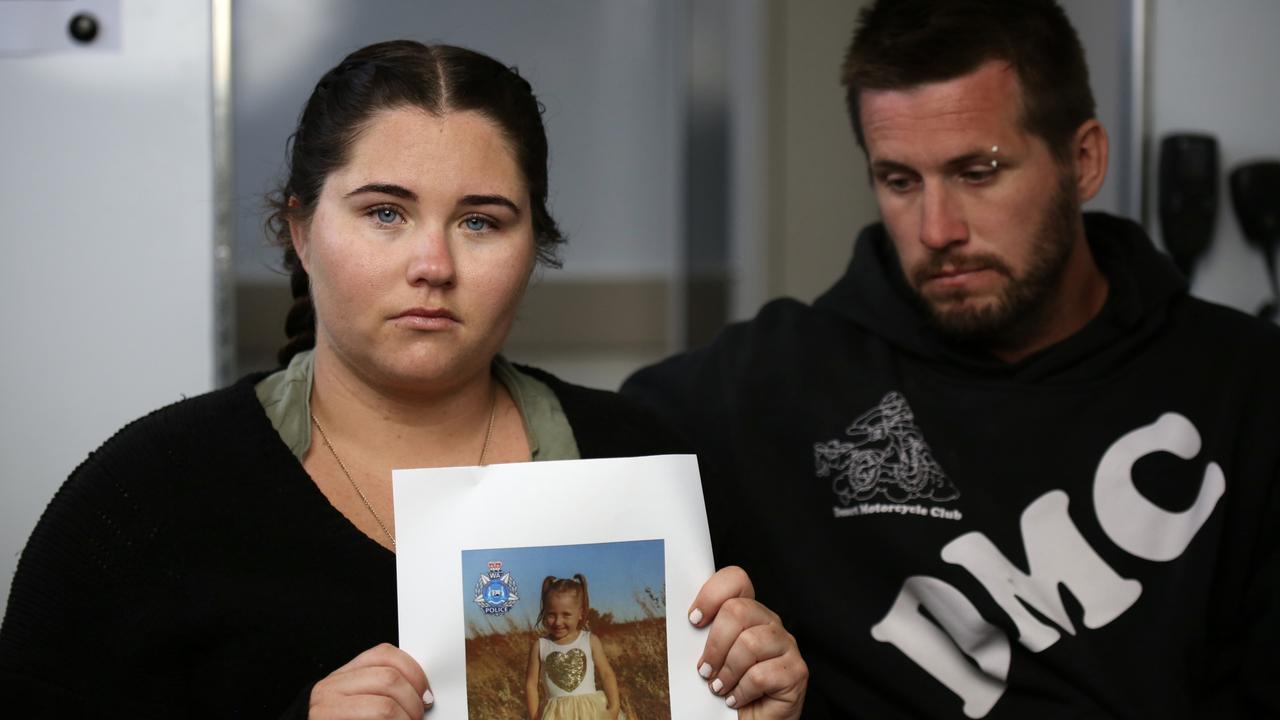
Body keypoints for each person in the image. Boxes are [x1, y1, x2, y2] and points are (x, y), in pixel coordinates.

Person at [0, 41, 807, 719]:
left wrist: (765, 704)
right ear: (300, 230)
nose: (433, 266)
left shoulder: (638, 470)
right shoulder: (144, 500)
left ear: (536, 247)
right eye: (385, 212)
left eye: (480, 222)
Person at [622, 1, 1280, 718]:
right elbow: (557, 451)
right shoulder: (773, 381)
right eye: (901, 181)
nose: (937, 230)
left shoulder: (1244, 386)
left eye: (978, 172)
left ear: (1083, 159)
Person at [525, 575, 620, 720]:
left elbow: (607, 674)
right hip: (556, 715)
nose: (558, 622)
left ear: (580, 613)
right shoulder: (540, 646)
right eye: (551, 615)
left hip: (591, 712)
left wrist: (614, 707)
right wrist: (535, 716)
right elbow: (531, 684)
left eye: (566, 615)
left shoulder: (590, 640)